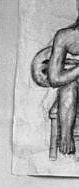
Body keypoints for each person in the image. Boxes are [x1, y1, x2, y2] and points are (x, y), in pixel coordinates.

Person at [47, 0, 79, 155]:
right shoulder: (65, 36)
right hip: (74, 88)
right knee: (68, 87)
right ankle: (66, 136)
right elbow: (54, 79)